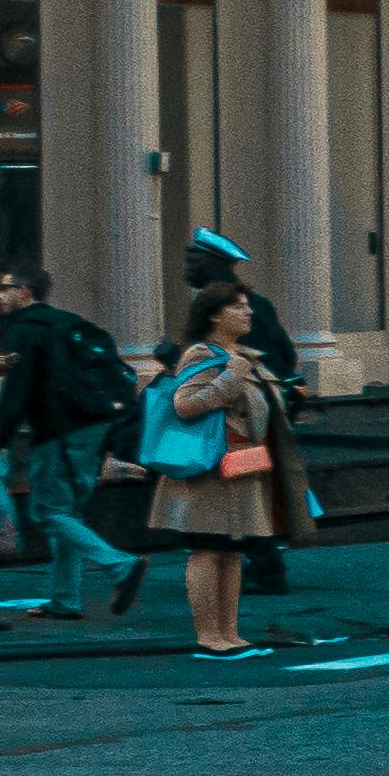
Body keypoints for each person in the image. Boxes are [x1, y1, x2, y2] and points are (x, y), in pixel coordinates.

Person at [0, 265, 148, 625]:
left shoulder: (26, 330)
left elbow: (18, 392)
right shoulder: (68, 323)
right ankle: (66, 599)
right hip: (94, 427)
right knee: (68, 513)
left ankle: (122, 566)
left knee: (49, 512)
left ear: (27, 292)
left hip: (60, 430)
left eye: (5, 289)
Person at [145, 280, 286, 659]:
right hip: (208, 469)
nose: (248, 312)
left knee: (232, 549)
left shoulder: (243, 355)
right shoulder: (202, 355)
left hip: (241, 466)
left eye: (246, 305)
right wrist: (232, 376)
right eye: (238, 306)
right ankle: (209, 633)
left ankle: (230, 631)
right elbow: (186, 404)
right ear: (214, 314)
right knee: (208, 548)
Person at [183, 227, 303, 595]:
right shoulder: (241, 302)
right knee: (239, 483)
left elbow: (245, 358)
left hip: (242, 415)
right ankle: (253, 560)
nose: (187, 265)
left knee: (241, 482)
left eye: (193, 259)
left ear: (213, 263)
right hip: (248, 410)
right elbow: (284, 355)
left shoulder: (225, 306)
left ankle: (263, 565)